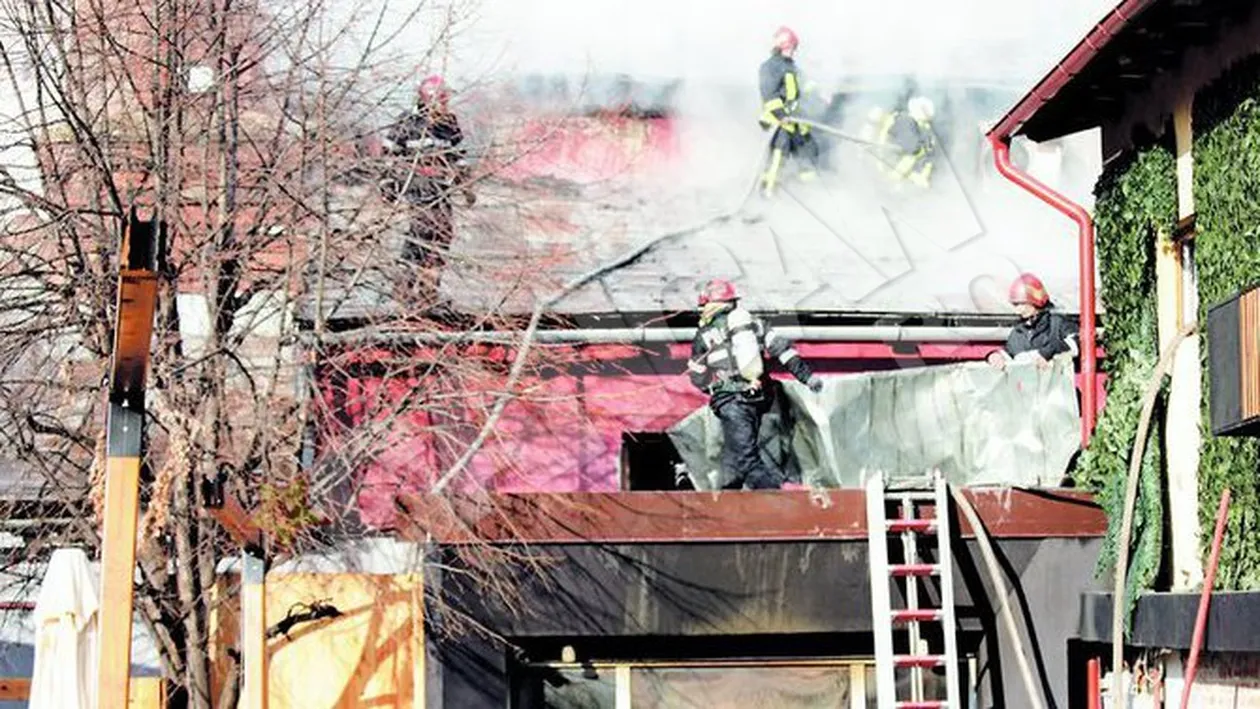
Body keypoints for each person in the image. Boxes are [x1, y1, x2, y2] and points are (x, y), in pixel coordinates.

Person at [687, 278, 824, 490]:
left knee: (746, 460)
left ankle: (783, 495)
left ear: (707, 305)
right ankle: (727, 501)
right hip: (761, 398)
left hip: (731, 402)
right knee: (734, 461)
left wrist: (714, 389)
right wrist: (807, 377)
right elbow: (783, 351)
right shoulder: (755, 324)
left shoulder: (704, 335)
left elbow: (697, 377)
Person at [380, 74, 476, 302]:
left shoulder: (449, 124)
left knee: (443, 235)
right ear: (429, 99)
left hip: (441, 189)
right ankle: (404, 285)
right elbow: (388, 156)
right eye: (442, 101)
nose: (445, 105)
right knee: (421, 233)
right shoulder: (407, 122)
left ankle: (429, 290)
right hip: (418, 187)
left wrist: (466, 187)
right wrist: (388, 186)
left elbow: (458, 158)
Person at [758, 26, 821, 198]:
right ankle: (766, 197)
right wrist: (781, 116)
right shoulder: (770, 67)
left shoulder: (791, 67)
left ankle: (810, 194)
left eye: (794, 48)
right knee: (778, 160)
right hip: (778, 123)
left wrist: (819, 98)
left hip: (795, 122)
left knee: (809, 152)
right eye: (790, 47)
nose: (793, 51)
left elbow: (802, 88)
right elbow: (769, 95)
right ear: (781, 46)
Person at [987, 273, 1080, 370]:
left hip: (1057, 384)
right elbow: (1009, 354)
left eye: (1022, 304)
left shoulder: (1058, 323)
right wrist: (995, 356)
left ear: (1036, 301)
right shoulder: (1017, 333)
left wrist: (1047, 353)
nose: (1018, 310)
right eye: (1015, 305)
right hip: (1028, 384)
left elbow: (1076, 343)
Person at [867, 95, 938, 189]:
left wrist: (893, 177)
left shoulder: (904, 122)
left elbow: (912, 153)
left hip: (905, 185)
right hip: (918, 182)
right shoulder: (926, 131)